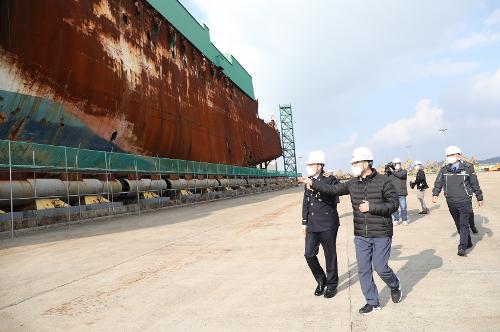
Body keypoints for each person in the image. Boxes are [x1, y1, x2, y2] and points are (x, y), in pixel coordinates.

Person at [299, 147, 402, 316]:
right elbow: (333, 190)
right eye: (352, 162)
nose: (353, 165)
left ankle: (395, 284)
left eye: (356, 162)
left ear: (367, 163)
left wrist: (372, 207)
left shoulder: (384, 181)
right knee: (363, 270)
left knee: (380, 267)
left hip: (381, 232)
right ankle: (372, 302)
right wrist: (313, 183)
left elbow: (394, 204)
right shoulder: (353, 183)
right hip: (361, 234)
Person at [432, 145, 484, 256]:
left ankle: (462, 247)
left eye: (452, 154)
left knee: (464, 224)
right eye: (448, 155)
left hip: (464, 200)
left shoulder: (468, 168)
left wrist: (479, 197)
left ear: (459, 155)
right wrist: (435, 194)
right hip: (450, 201)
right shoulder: (444, 169)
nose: (450, 157)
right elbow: (438, 182)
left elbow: (474, 184)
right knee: (458, 224)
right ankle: (468, 242)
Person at [302, 151, 340, 298]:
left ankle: (331, 285)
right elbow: (306, 202)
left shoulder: (331, 179)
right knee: (309, 254)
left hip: (327, 223)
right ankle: (321, 279)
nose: (309, 167)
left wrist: (315, 185)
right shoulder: (309, 179)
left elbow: (332, 198)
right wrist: (304, 223)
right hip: (312, 224)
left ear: (319, 166)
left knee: (330, 255)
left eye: (311, 164)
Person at [386, 158, 409, 226]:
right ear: (394, 165)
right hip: (393, 193)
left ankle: (404, 220)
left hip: (402, 193)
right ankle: (396, 219)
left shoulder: (404, 171)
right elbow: (385, 179)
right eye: (396, 164)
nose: (398, 165)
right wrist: (387, 170)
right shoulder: (391, 173)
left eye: (399, 163)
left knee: (403, 207)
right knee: (394, 208)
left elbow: (400, 175)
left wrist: (393, 171)